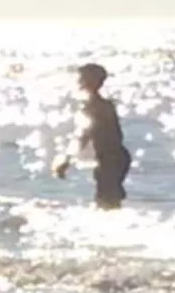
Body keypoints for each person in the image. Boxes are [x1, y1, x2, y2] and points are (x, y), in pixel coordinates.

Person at [54, 63, 131, 210]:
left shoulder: (95, 107)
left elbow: (83, 136)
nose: (80, 81)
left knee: (107, 201)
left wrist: (66, 160)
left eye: (83, 78)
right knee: (108, 199)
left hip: (111, 159)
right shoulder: (104, 105)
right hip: (114, 158)